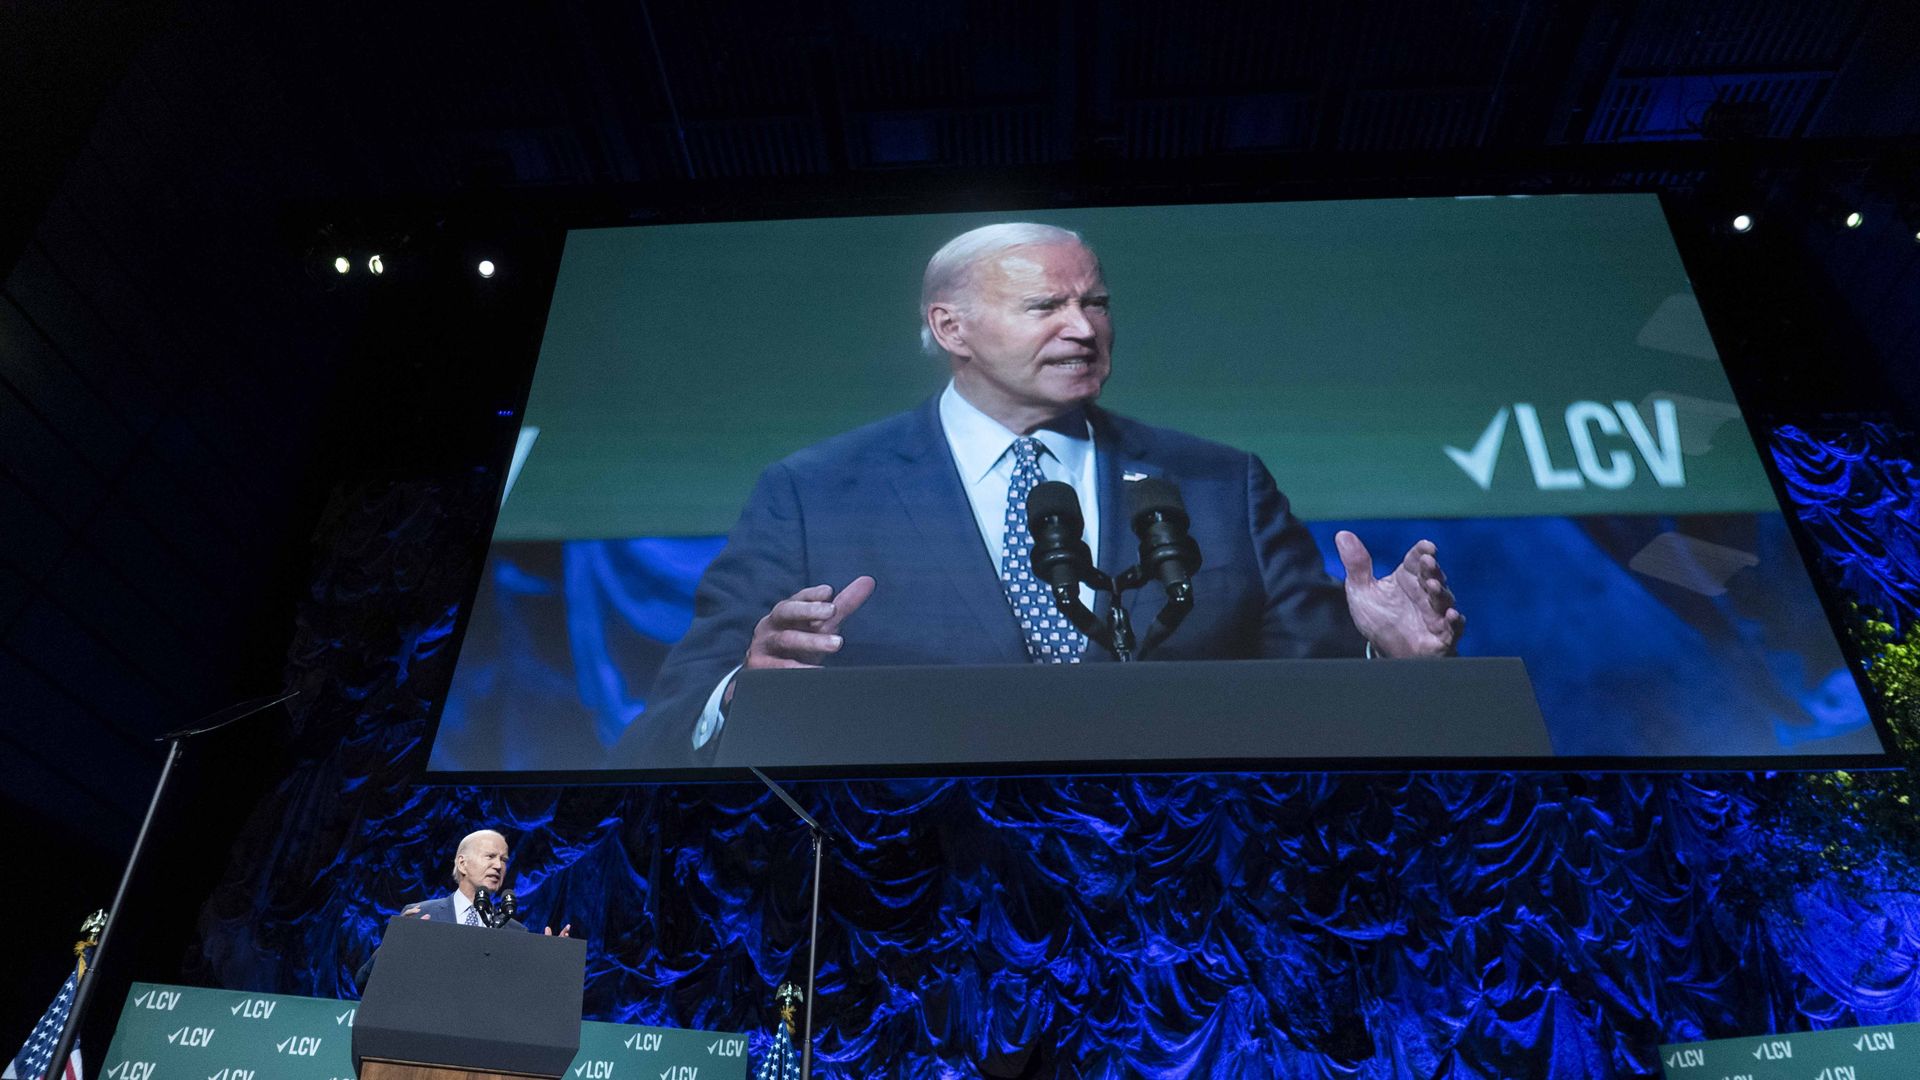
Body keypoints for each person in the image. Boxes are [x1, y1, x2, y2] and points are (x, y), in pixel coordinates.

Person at [635, 222, 1464, 763]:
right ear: (950, 328)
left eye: (1095, 302)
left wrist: (1385, 660)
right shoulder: (813, 495)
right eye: (1045, 305)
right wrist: (748, 681)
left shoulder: (1221, 482)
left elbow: (1309, 701)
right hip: (917, 907)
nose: (1083, 326)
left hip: (1177, 921)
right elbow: (672, 722)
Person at [354, 829, 571, 989]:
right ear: (462, 863)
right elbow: (365, 982)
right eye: (490, 856)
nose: (498, 865)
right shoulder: (421, 916)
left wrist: (550, 964)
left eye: (503, 860)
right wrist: (397, 944)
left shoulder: (515, 932)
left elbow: (524, 1000)